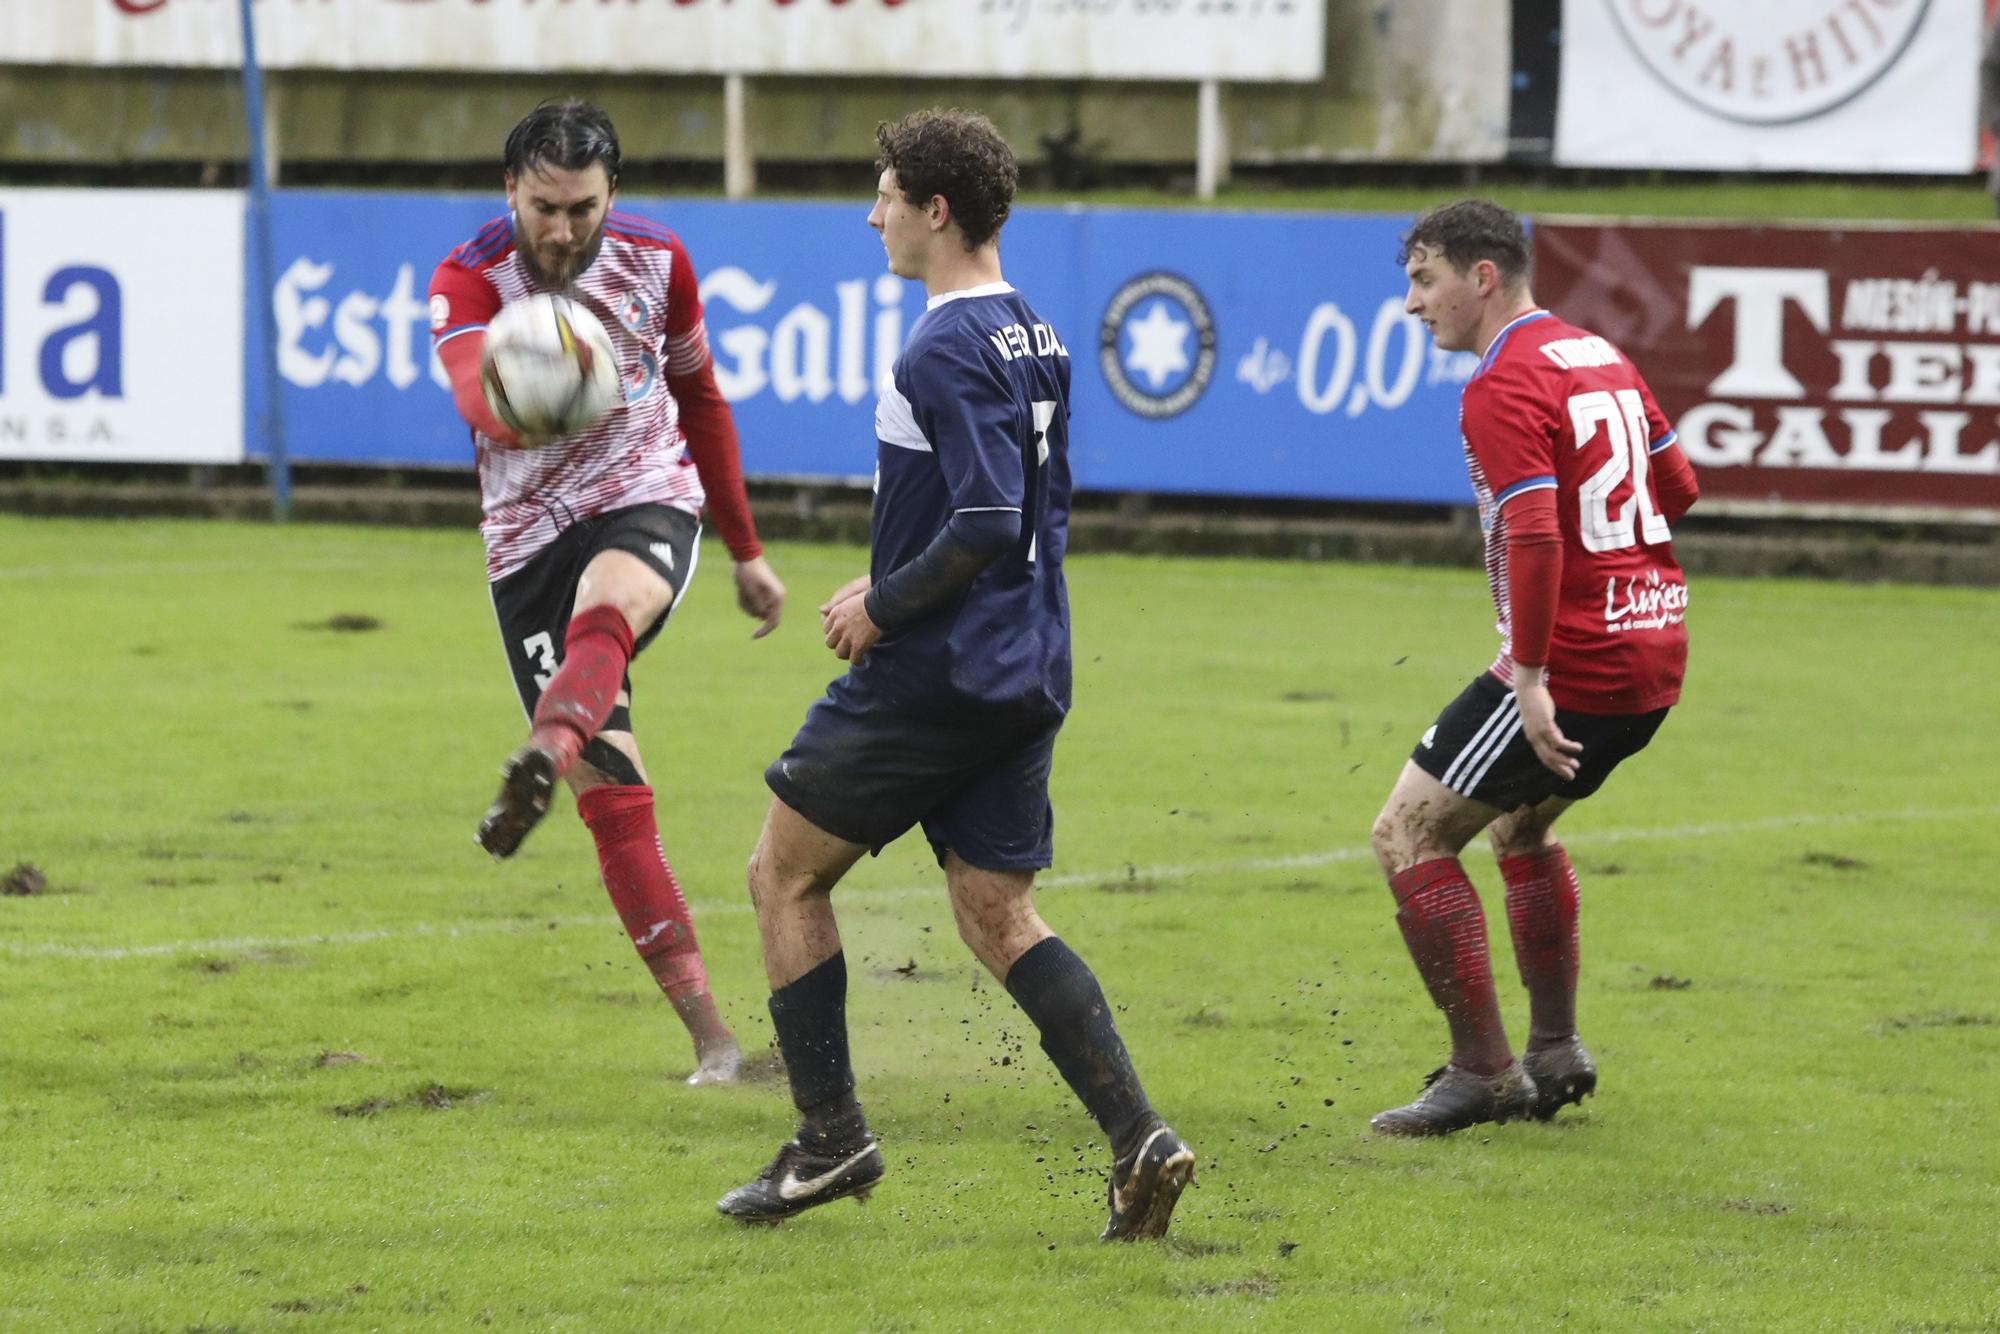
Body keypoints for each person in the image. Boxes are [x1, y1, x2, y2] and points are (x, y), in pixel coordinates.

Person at [714, 109, 1194, 1239]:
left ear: (934, 211)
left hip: (936, 670)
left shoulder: (937, 344)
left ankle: (829, 1137)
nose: (869, 213)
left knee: (780, 875)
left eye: (883, 193)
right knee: (995, 909)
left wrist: (879, 600)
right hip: (1024, 658)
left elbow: (984, 513)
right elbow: (1008, 510)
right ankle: (1140, 1140)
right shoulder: (1032, 328)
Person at [427, 99, 786, 1086]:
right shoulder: (465, 275)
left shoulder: (658, 259)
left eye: (582, 207)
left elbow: (701, 401)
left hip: (642, 495)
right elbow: (468, 384)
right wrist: (514, 402)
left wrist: (745, 549)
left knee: (612, 603)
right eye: (544, 207)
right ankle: (714, 1043)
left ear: (610, 194)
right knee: (616, 799)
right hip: (523, 541)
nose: (563, 230)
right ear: (512, 193)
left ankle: (548, 739)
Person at [1367, 199, 1700, 1137]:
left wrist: (1532, 670)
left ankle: (1484, 1072)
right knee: (1520, 827)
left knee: (1406, 835)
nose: (1411, 305)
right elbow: (1679, 488)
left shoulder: (1501, 382)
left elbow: (1538, 529)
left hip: (1574, 667)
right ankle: (1555, 1053)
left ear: (1482, 278)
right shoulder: (1600, 354)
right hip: (1655, 646)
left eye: (1424, 282)